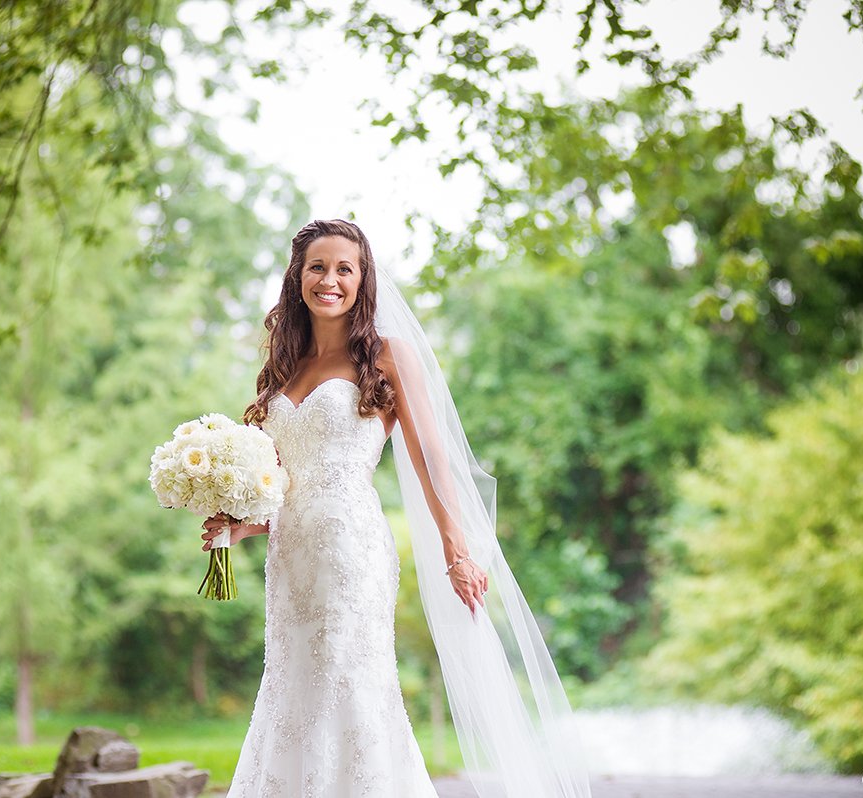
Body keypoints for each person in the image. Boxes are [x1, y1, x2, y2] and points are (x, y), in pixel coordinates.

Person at [202, 219, 591, 797]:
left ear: (363, 281)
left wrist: (456, 548)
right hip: (291, 558)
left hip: (350, 550)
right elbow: (285, 486)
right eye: (317, 267)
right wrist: (237, 529)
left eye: (344, 269)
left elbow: (432, 455)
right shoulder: (285, 367)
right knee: (292, 686)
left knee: (348, 682)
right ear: (297, 276)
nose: (329, 280)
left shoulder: (386, 355)